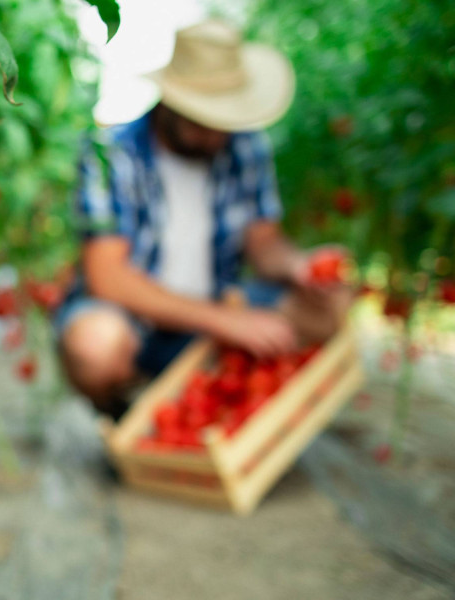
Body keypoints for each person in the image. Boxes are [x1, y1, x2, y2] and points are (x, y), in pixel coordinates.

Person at [56, 19, 351, 419]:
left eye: (224, 121)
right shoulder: (110, 154)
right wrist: (227, 321)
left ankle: (226, 399)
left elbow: (264, 243)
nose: (217, 135)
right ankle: (124, 410)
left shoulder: (244, 147)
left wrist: (298, 266)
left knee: (332, 305)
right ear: (170, 103)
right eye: (203, 121)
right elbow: (107, 277)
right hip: (138, 324)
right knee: (94, 345)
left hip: (215, 313)